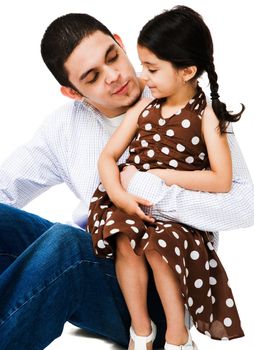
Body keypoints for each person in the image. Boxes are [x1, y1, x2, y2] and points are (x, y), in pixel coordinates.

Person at [0, 11, 253, 350]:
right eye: (92, 77)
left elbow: (245, 203)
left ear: (120, 42)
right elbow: (6, 185)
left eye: (113, 56)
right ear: (73, 92)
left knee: (66, 244)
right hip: (104, 259)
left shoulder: (185, 100)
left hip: (162, 289)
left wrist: (150, 190)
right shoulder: (62, 128)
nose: (115, 75)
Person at [88, 6, 246, 350]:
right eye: (143, 65)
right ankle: (141, 330)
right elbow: (107, 157)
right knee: (125, 240)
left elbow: (221, 180)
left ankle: (178, 333)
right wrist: (117, 194)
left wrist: (161, 175)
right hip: (131, 201)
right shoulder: (144, 108)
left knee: (161, 247)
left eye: (153, 69)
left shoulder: (206, 115)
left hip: (176, 216)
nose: (143, 76)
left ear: (187, 71)